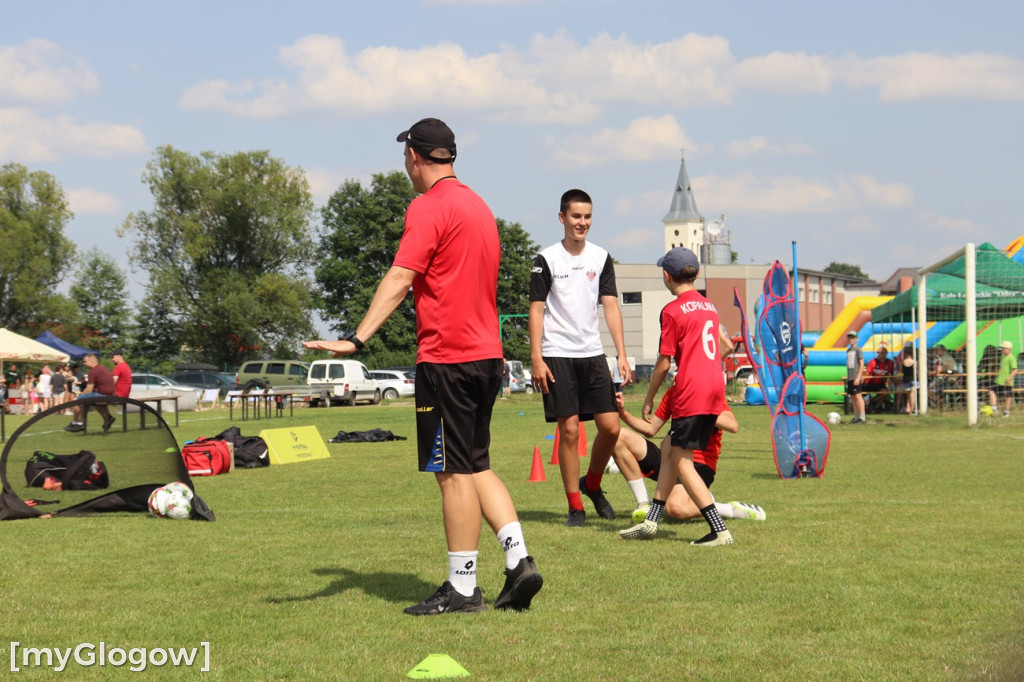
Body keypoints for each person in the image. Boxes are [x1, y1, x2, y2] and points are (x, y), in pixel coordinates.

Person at [302, 117, 541, 616]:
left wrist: (357, 338)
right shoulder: (479, 206)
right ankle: (519, 560)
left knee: (451, 472)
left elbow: (400, 276)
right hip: (488, 358)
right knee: (477, 463)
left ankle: (462, 588)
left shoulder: (428, 207)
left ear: (414, 156)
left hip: (446, 358)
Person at [528, 188, 632, 527]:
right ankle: (575, 505)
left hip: (592, 354)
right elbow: (537, 309)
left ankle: (593, 483)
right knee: (569, 430)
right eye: (576, 216)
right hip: (557, 354)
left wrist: (622, 354)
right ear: (562, 218)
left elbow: (612, 306)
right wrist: (536, 357)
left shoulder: (601, 257)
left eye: (587, 216)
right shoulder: (546, 259)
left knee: (611, 427)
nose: (582, 222)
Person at [619, 246, 733, 546]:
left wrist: (648, 398)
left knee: (683, 462)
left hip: (691, 390)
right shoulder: (708, 306)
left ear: (667, 276)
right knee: (669, 450)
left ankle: (719, 529)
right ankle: (652, 522)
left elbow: (664, 362)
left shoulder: (672, 310)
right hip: (713, 388)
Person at [612, 389, 766, 523]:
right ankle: (644, 504)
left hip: (698, 465)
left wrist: (699, 410)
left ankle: (726, 508)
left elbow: (732, 425)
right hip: (670, 459)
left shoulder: (710, 394)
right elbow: (651, 429)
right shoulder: (674, 391)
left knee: (675, 508)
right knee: (618, 436)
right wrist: (623, 413)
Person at [64, 353, 116, 432]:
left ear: (92, 361)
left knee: (76, 400)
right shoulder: (103, 368)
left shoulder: (93, 371)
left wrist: (80, 395)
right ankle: (108, 417)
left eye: (85, 361)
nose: (84, 364)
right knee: (86, 401)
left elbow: (89, 390)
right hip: (109, 394)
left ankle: (76, 423)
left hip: (101, 395)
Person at [987, 340, 1018, 418]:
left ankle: (1006, 411)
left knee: (1007, 396)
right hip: (999, 380)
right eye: (1002, 348)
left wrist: (1009, 379)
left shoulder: (1011, 358)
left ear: (1009, 349)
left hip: (1006, 381)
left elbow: (1015, 370)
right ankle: (994, 408)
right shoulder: (1002, 357)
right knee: (991, 390)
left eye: (1004, 348)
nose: (1002, 350)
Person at [863, 346, 895, 413]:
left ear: (885, 354)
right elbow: (867, 373)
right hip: (868, 383)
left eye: (879, 353)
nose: (877, 354)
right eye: (877, 353)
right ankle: (865, 407)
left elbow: (892, 375)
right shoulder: (873, 361)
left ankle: (876, 407)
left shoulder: (890, 363)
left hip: (880, 384)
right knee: (859, 393)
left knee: (884, 392)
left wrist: (896, 381)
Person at [845, 331, 867, 423]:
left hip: (855, 376)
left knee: (858, 396)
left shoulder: (858, 349)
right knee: (853, 397)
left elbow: (861, 363)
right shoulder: (848, 350)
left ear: (857, 339)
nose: (851, 340)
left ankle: (862, 417)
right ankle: (856, 416)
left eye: (853, 338)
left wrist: (858, 376)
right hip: (850, 377)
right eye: (849, 338)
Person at [896, 342, 917, 415]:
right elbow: (917, 372)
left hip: (905, 381)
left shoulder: (902, 362)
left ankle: (908, 408)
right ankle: (912, 409)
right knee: (912, 395)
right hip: (913, 381)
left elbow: (900, 372)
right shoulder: (915, 362)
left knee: (909, 395)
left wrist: (898, 379)